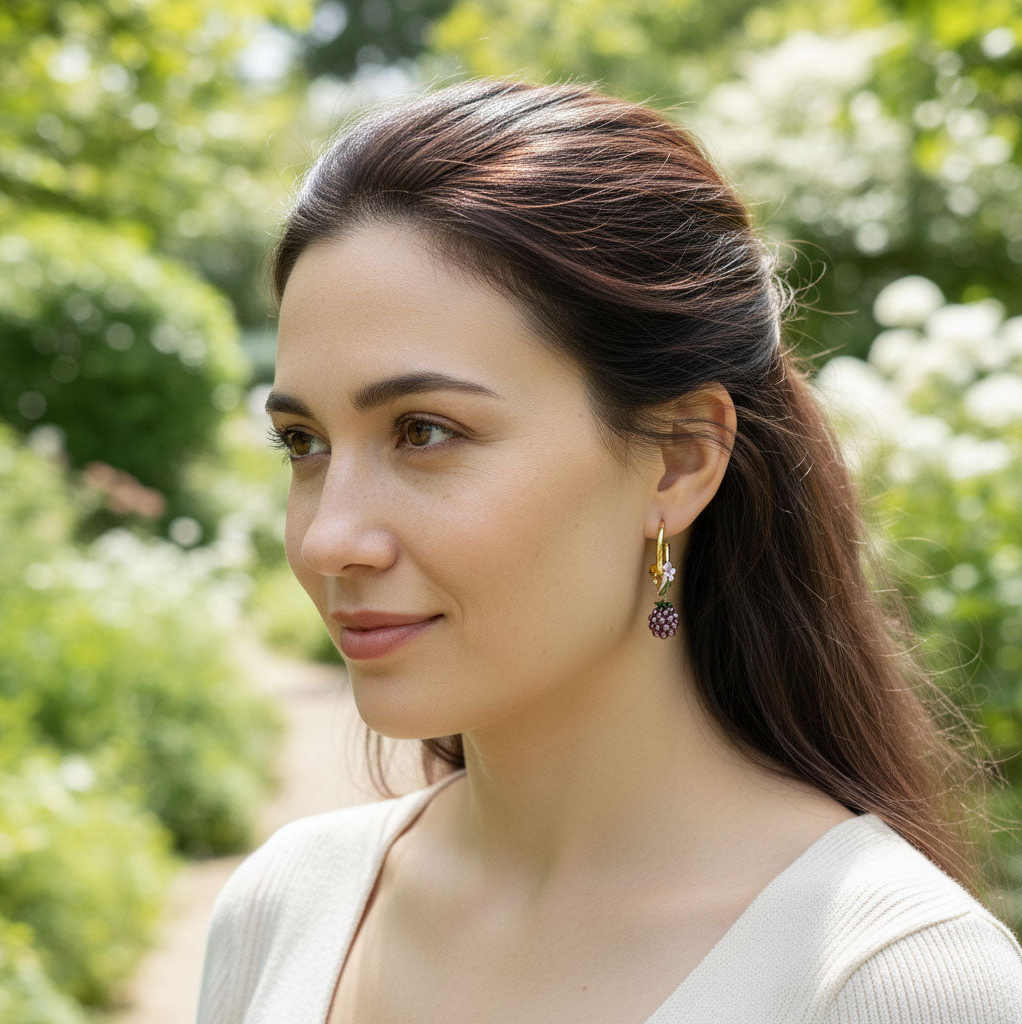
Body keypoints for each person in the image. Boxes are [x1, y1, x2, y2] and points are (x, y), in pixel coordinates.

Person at [195, 77, 1022, 1023]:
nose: (329, 538)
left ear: (678, 459)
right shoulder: (284, 910)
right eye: (303, 443)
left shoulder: (888, 981)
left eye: (424, 431)